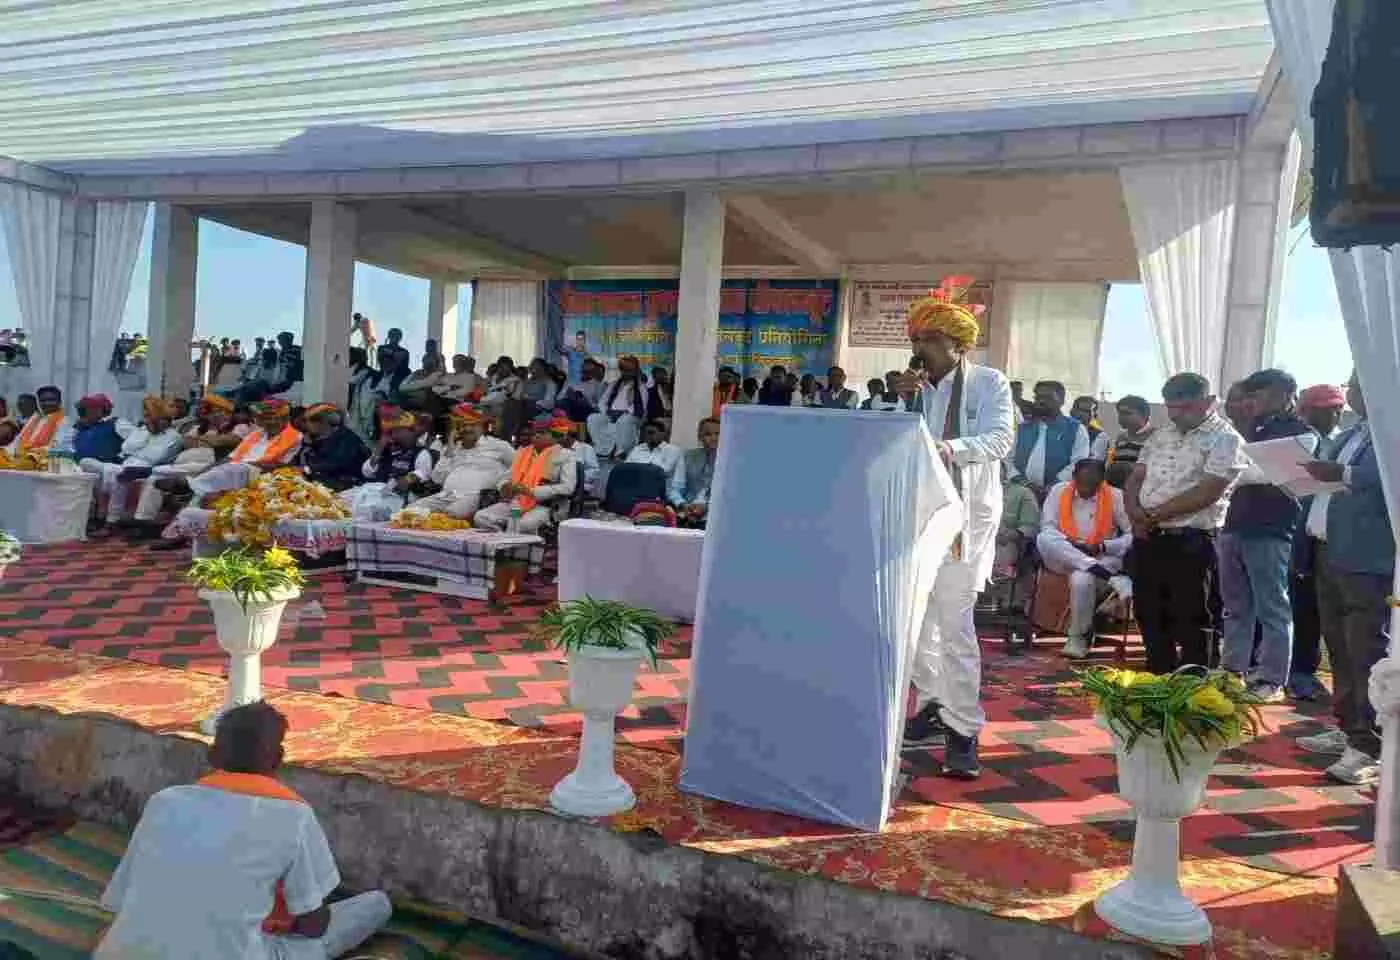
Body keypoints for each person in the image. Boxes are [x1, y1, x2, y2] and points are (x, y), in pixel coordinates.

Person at [94, 701, 392, 958]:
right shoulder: (294, 816)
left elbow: (120, 900)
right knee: (375, 905)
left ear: (213, 756)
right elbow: (315, 925)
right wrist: (280, 921)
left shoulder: (164, 802)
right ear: (278, 760)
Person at [899, 276, 1015, 780]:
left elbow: (1000, 440)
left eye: (929, 339)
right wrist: (902, 404)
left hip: (964, 522)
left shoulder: (989, 383)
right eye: (915, 339)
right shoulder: (916, 390)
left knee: (954, 627)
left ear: (958, 343)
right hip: (916, 518)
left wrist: (950, 448)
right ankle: (932, 703)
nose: (919, 348)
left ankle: (964, 729)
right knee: (915, 624)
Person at [1294, 373, 1392, 785]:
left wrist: (1343, 473)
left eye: (1360, 379)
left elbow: (1387, 479)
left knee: (1365, 651)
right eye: (1351, 381)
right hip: (1327, 552)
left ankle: (1372, 745)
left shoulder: (1392, 432)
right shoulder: (1352, 433)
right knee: (1339, 650)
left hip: (1368, 560)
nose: (1354, 389)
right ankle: (1350, 727)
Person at [1125, 372, 1249, 674]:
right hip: (1149, 536)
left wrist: (1153, 516)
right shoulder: (1160, 435)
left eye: (1185, 408)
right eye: (1171, 408)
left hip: (1193, 538)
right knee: (1150, 611)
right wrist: (1135, 514)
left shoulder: (1227, 438)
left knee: (1194, 616)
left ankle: (1195, 683)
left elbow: (1208, 491)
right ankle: (1159, 676)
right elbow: (1136, 477)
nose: (1176, 415)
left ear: (1209, 402)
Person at [1218, 369, 1317, 702]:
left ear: (1286, 395)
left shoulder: (1301, 432)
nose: (1254, 400)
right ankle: (1233, 670)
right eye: (1251, 394)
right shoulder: (1250, 429)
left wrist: (1241, 473)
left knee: (1272, 608)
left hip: (1271, 528)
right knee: (1235, 606)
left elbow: (1273, 475)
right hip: (1234, 524)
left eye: (1261, 393)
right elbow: (1231, 469)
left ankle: (1272, 679)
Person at [1036, 459, 1134, 658]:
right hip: (1064, 555)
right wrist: (1073, 544)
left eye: (1092, 485)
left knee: (1082, 578)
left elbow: (1132, 535)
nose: (1086, 490)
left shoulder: (1116, 496)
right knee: (1044, 537)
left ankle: (1078, 638)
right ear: (1073, 477)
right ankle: (1111, 578)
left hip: (1102, 555)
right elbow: (1048, 527)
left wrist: (1104, 546)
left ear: (1102, 481)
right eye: (1082, 484)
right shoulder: (1058, 491)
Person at [1288, 383, 1347, 701]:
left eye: (1316, 412)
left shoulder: (1347, 444)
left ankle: (1345, 689)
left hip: (1338, 541)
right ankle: (1301, 674)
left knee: (1337, 618)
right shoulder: (1300, 443)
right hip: (1303, 535)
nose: (1307, 418)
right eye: (1306, 411)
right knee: (1304, 608)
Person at [131, 396, 246, 530]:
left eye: (215, 412)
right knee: (154, 478)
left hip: (213, 465)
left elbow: (226, 441)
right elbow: (186, 442)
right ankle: (143, 520)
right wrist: (207, 440)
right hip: (188, 463)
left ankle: (158, 475)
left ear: (225, 412)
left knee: (160, 471)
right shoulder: (200, 427)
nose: (211, 415)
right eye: (210, 412)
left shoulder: (240, 427)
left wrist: (203, 440)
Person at [83, 397, 184, 533]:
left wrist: (136, 451)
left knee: (120, 476)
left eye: (150, 416)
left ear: (162, 419)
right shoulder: (143, 430)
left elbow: (154, 457)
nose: (146, 420)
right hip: (125, 465)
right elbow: (126, 447)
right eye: (146, 416)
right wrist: (146, 434)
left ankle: (110, 522)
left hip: (146, 470)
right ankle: (94, 514)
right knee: (86, 462)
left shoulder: (173, 437)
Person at [409, 404, 516, 518]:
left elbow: (517, 467)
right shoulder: (452, 449)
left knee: (451, 514)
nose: (467, 429)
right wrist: (450, 448)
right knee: (410, 511)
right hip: (446, 496)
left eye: (473, 425)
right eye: (463, 425)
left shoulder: (499, 446)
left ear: (482, 427)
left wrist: (502, 484)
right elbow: (437, 479)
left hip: (476, 497)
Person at [473, 418, 578, 533]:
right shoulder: (522, 453)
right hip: (516, 502)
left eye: (542, 433)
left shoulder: (565, 455)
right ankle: (502, 540)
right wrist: (504, 486)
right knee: (481, 517)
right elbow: (504, 478)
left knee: (522, 525)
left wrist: (532, 491)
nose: (536, 435)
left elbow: (568, 487)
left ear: (555, 436)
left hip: (544, 505)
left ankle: (511, 539)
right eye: (535, 432)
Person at [1009, 380, 1089, 500]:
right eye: (1037, 397)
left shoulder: (1075, 429)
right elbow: (1008, 459)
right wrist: (1026, 485)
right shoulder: (1022, 428)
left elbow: (1078, 463)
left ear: (1061, 400)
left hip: (1059, 495)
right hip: (1021, 494)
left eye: (1047, 397)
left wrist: (1051, 488)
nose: (1041, 401)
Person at [360, 411, 433, 501]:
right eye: (392, 431)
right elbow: (367, 473)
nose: (393, 435)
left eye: (397, 431)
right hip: (376, 497)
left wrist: (404, 480)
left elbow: (422, 474)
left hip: (402, 502)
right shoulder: (387, 451)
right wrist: (379, 449)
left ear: (411, 432)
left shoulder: (422, 454)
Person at [297, 404, 370, 492]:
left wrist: (309, 468)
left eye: (307, 421)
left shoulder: (347, 440)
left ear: (322, 423)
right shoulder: (317, 437)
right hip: (325, 484)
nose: (305, 425)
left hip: (349, 488)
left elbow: (336, 463)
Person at [586, 355, 647, 458]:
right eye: (624, 370)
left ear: (635, 371)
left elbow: (641, 406)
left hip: (631, 416)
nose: (626, 373)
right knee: (593, 418)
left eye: (629, 370)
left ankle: (622, 450)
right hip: (611, 413)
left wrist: (624, 413)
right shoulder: (614, 384)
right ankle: (603, 449)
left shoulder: (641, 387)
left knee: (624, 420)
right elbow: (602, 402)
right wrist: (607, 412)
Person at [671, 417, 720, 527]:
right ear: (700, 437)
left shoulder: (729, 461)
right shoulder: (688, 456)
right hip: (687, 511)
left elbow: (728, 495)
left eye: (718, 434)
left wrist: (707, 507)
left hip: (715, 514)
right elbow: (675, 489)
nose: (714, 438)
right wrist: (683, 504)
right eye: (708, 434)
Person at [1102, 395, 1154, 488]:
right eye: (1120, 413)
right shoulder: (1121, 437)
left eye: (1127, 413)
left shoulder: (1155, 437)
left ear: (1145, 415)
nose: (1122, 417)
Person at [67, 394, 127, 465]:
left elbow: (134, 441)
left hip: (107, 468)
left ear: (104, 410)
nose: (93, 411)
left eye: (97, 408)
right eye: (89, 408)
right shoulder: (76, 429)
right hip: (78, 468)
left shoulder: (115, 424)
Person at [625, 418, 683, 491]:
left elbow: (662, 472)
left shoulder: (672, 450)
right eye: (644, 433)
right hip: (636, 489)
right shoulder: (637, 449)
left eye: (651, 432)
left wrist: (638, 469)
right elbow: (626, 469)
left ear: (662, 434)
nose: (647, 436)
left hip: (663, 492)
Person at [554, 415, 601, 500]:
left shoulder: (585, 448)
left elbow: (595, 472)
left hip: (580, 489)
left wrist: (576, 477)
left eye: (558, 435)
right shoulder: (556, 449)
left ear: (568, 435)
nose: (556, 439)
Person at [11, 385, 64, 454]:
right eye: (43, 400)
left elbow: (57, 447)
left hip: (43, 459)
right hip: (21, 457)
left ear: (59, 402)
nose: (47, 403)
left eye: (51, 400)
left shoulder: (64, 422)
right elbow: (18, 441)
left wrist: (31, 452)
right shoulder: (35, 419)